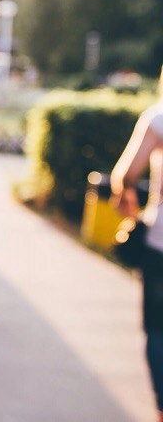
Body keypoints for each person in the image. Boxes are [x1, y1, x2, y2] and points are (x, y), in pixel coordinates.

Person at [111, 67, 163, 422]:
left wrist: (129, 204)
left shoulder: (159, 117)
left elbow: (127, 175)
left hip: (161, 243)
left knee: (158, 329)